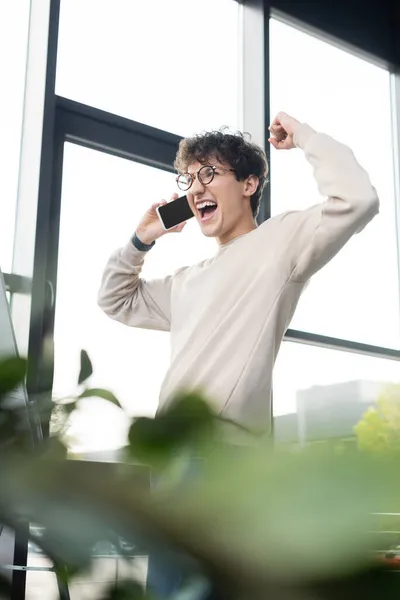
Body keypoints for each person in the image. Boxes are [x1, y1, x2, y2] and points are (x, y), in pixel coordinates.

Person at [97, 111, 379, 436]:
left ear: (249, 184)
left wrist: (303, 135)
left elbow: (359, 198)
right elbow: (115, 299)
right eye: (188, 179)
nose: (195, 189)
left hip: (222, 453)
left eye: (208, 173)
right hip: (168, 453)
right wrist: (141, 239)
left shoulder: (279, 242)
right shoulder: (185, 282)